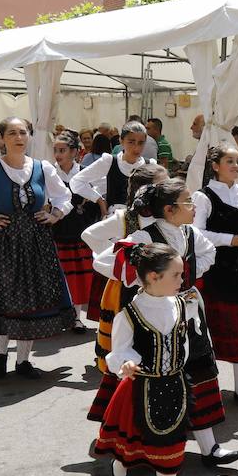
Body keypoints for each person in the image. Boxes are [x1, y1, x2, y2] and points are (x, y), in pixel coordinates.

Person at [103, 179, 238, 468]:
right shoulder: (145, 236)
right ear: (169, 209)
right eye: (188, 202)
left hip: (188, 315)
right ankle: (139, 450)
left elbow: (209, 253)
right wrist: (143, 278)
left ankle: (210, 448)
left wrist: (188, 277)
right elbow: (105, 262)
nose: (193, 207)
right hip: (154, 318)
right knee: (149, 383)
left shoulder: (190, 233)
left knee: (199, 372)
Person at [0, 117, 77, 379]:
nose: (19, 137)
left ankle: (23, 361)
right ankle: (0, 354)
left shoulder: (43, 168)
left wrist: (54, 215)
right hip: (2, 244)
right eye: (12, 133)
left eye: (23, 132)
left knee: (32, 301)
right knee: (4, 298)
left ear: (29, 136)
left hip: (36, 244)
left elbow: (65, 196)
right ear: (2, 139)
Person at [93, 242, 196, 476]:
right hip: (141, 388)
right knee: (131, 444)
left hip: (175, 386)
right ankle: (119, 470)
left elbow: (183, 341)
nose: (181, 280)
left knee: (172, 444)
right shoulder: (130, 314)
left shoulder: (179, 304)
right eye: (176, 275)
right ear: (153, 276)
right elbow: (119, 351)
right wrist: (125, 363)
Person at [83, 163, 169, 421]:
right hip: (127, 291)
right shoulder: (125, 219)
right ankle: (123, 408)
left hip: (158, 291)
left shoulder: (164, 216)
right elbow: (90, 235)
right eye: (162, 185)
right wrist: (115, 266)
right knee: (127, 345)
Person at [194, 143, 238, 402]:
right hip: (213, 269)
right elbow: (196, 232)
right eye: (230, 162)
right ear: (215, 166)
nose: (236, 166)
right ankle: (206, 386)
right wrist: (230, 239)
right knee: (211, 328)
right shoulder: (203, 196)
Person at [50, 131, 99, 330]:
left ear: (74, 152)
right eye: (55, 150)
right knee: (60, 275)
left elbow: (97, 200)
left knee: (78, 276)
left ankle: (77, 317)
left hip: (79, 230)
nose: (58, 154)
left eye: (62, 150)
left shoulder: (85, 172)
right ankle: (58, 315)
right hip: (56, 230)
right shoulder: (49, 173)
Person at [72, 120, 152, 214]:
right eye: (131, 142)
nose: (136, 147)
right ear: (121, 141)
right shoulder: (110, 162)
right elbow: (77, 182)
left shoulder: (149, 165)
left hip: (142, 223)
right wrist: (99, 200)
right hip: (114, 220)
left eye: (141, 143)